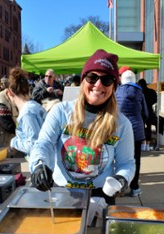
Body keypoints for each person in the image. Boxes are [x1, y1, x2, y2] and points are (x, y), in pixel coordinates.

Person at [29, 49, 135, 205]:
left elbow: (126, 163)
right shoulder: (61, 112)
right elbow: (44, 144)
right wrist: (39, 165)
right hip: (63, 193)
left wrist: (122, 179)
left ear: (113, 87)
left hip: (101, 196)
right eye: (92, 77)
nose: (98, 84)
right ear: (83, 80)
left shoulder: (122, 124)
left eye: (106, 80)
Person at [116, 70, 148, 197]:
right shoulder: (139, 91)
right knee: (136, 159)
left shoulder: (117, 91)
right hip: (136, 129)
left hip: (120, 129)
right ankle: (134, 187)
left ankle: (120, 187)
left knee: (119, 159)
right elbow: (145, 112)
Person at [8, 67, 46, 159]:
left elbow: (34, 144)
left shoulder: (27, 113)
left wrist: (14, 142)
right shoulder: (35, 106)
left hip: (41, 163)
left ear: (10, 93)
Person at [137, 78, 164, 151]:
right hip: (150, 112)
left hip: (141, 113)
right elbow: (155, 100)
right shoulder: (152, 91)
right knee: (149, 125)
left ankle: (144, 143)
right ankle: (151, 140)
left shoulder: (139, 92)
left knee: (143, 127)